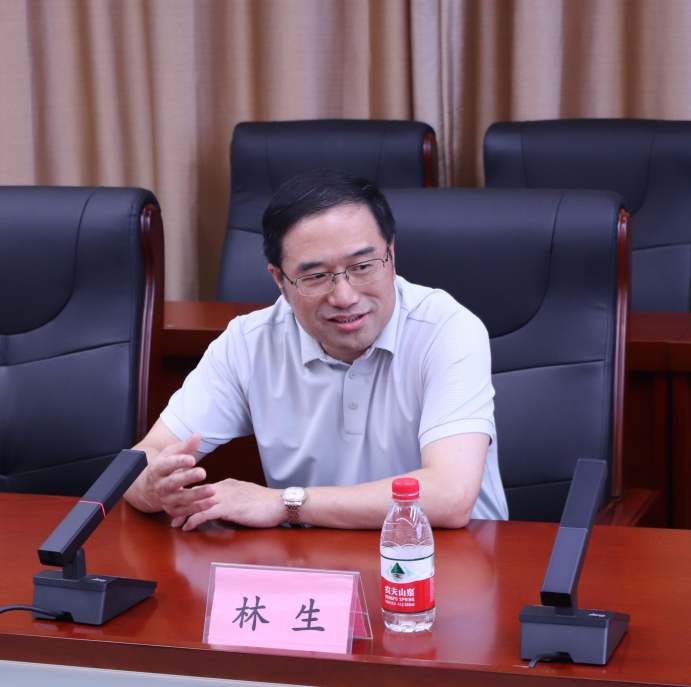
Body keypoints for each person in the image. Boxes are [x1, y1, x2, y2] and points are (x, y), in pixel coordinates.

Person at [124, 169, 508, 529]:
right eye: (316, 276)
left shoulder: (446, 331)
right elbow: (142, 460)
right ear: (280, 280)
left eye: (363, 266)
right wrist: (152, 486)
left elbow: (450, 495)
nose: (344, 297)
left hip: (448, 558)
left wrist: (284, 503)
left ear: (391, 255)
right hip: (314, 565)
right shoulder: (249, 342)